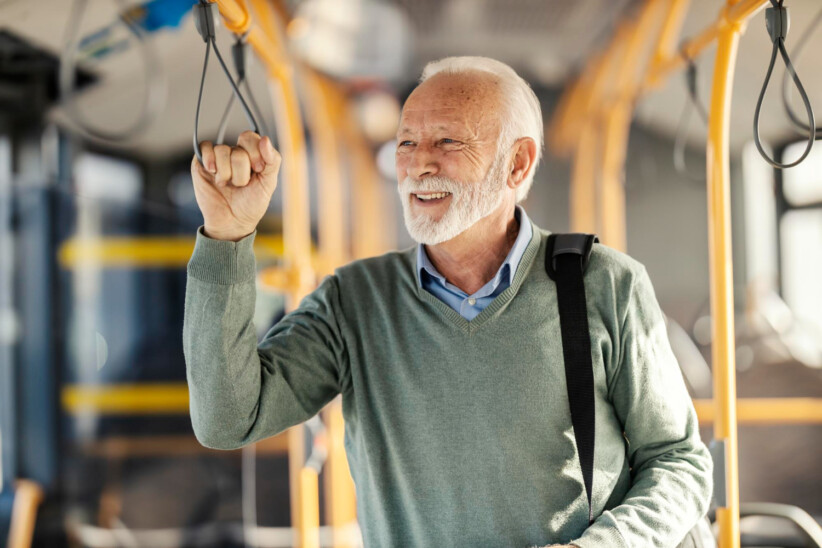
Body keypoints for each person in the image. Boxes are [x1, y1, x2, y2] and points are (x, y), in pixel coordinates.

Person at [184, 56, 713, 548]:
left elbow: (678, 461)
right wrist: (227, 237)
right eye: (407, 143)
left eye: (448, 142)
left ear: (517, 165)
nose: (418, 165)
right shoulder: (355, 302)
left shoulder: (605, 284)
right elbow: (228, 420)